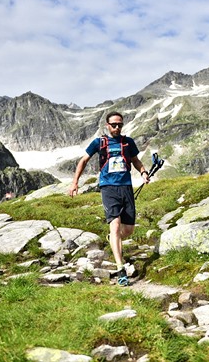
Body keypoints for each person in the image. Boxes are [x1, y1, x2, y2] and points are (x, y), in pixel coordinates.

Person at [69, 111, 150, 286]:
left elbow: (135, 160)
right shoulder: (99, 142)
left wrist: (143, 172)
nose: (117, 127)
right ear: (107, 125)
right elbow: (83, 161)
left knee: (128, 230)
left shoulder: (128, 142)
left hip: (126, 187)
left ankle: (113, 240)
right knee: (115, 226)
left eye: (120, 124)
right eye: (113, 124)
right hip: (108, 188)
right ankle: (121, 269)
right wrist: (75, 183)